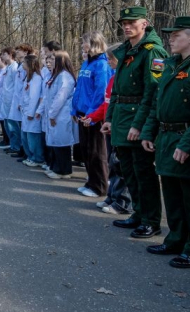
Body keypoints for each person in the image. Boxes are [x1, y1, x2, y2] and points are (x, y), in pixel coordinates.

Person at [139, 16, 190, 269]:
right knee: (172, 195)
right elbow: (157, 101)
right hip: (165, 137)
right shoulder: (171, 64)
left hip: (187, 138)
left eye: (176, 35)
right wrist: (148, 132)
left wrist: (187, 144)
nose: (170, 39)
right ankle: (175, 239)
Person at [101, 6, 168, 239]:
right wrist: (109, 119)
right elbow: (117, 90)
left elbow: (153, 91)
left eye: (132, 22)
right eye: (123, 23)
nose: (127, 26)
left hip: (137, 118)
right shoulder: (126, 50)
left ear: (144, 23)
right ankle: (138, 214)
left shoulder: (153, 51)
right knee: (128, 171)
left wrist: (139, 125)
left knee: (143, 174)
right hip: (121, 118)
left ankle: (151, 220)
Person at [85, 44, 133, 215]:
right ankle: (113, 196)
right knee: (112, 165)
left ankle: (123, 202)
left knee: (120, 166)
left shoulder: (126, 79)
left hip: (119, 128)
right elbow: (106, 104)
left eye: (111, 58)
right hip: (108, 127)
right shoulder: (114, 77)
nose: (109, 61)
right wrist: (94, 117)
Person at [73, 32, 113, 197]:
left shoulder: (102, 65)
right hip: (82, 113)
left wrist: (91, 114)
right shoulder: (86, 63)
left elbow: (100, 92)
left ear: (94, 44)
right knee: (86, 150)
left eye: (85, 42)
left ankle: (100, 186)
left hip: (93, 114)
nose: (83, 45)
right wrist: (74, 109)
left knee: (97, 152)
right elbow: (80, 89)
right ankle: (91, 182)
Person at [41, 51, 78, 179]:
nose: (49, 62)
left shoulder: (65, 77)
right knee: (55, 143)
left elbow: (60, 97)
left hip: (61, 115)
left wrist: (52, 114)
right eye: (48, 59)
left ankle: (64, 171)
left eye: (53, 59)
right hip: (55, 114)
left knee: (62, 143)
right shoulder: (56, 75)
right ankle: (56, 167)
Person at [20, 54, 45, 168]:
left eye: (24, 62)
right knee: (26, 135)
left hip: (32, 113)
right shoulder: (28, 76)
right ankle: (31, 156)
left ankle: (37, 158)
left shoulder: (36, 78)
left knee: (33, 136)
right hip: (25, 110)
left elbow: (34, 97)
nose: (22, 64)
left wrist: (31, 112)